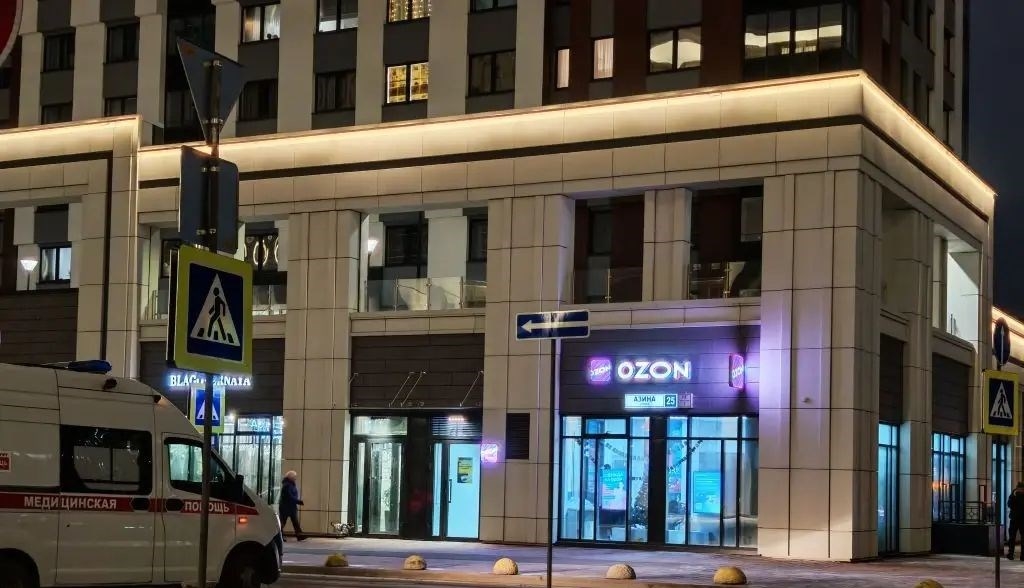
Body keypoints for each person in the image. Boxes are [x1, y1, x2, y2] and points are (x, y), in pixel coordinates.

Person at [279, 471, 306, 541]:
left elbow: (291, 496)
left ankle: (300, 536)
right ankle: (279, 537)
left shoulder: (289, 484)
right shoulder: (287, 485)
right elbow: (289, 496)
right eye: (294, 477)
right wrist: (298, 501)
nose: (295, 478)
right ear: (291, 477)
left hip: (290, 507)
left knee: (295, 522)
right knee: (282, 523)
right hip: (286, 507)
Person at [1007, 482, 1024, 559]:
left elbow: (1009, 504)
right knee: (1012, 537)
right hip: (1015, 519)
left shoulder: (1013, 495)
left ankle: (1012, 554)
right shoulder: (1013, 494)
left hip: (1016, 519)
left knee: (1012, 537)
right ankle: (1012, 554)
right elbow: (1009, 504)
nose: (1020, 490)